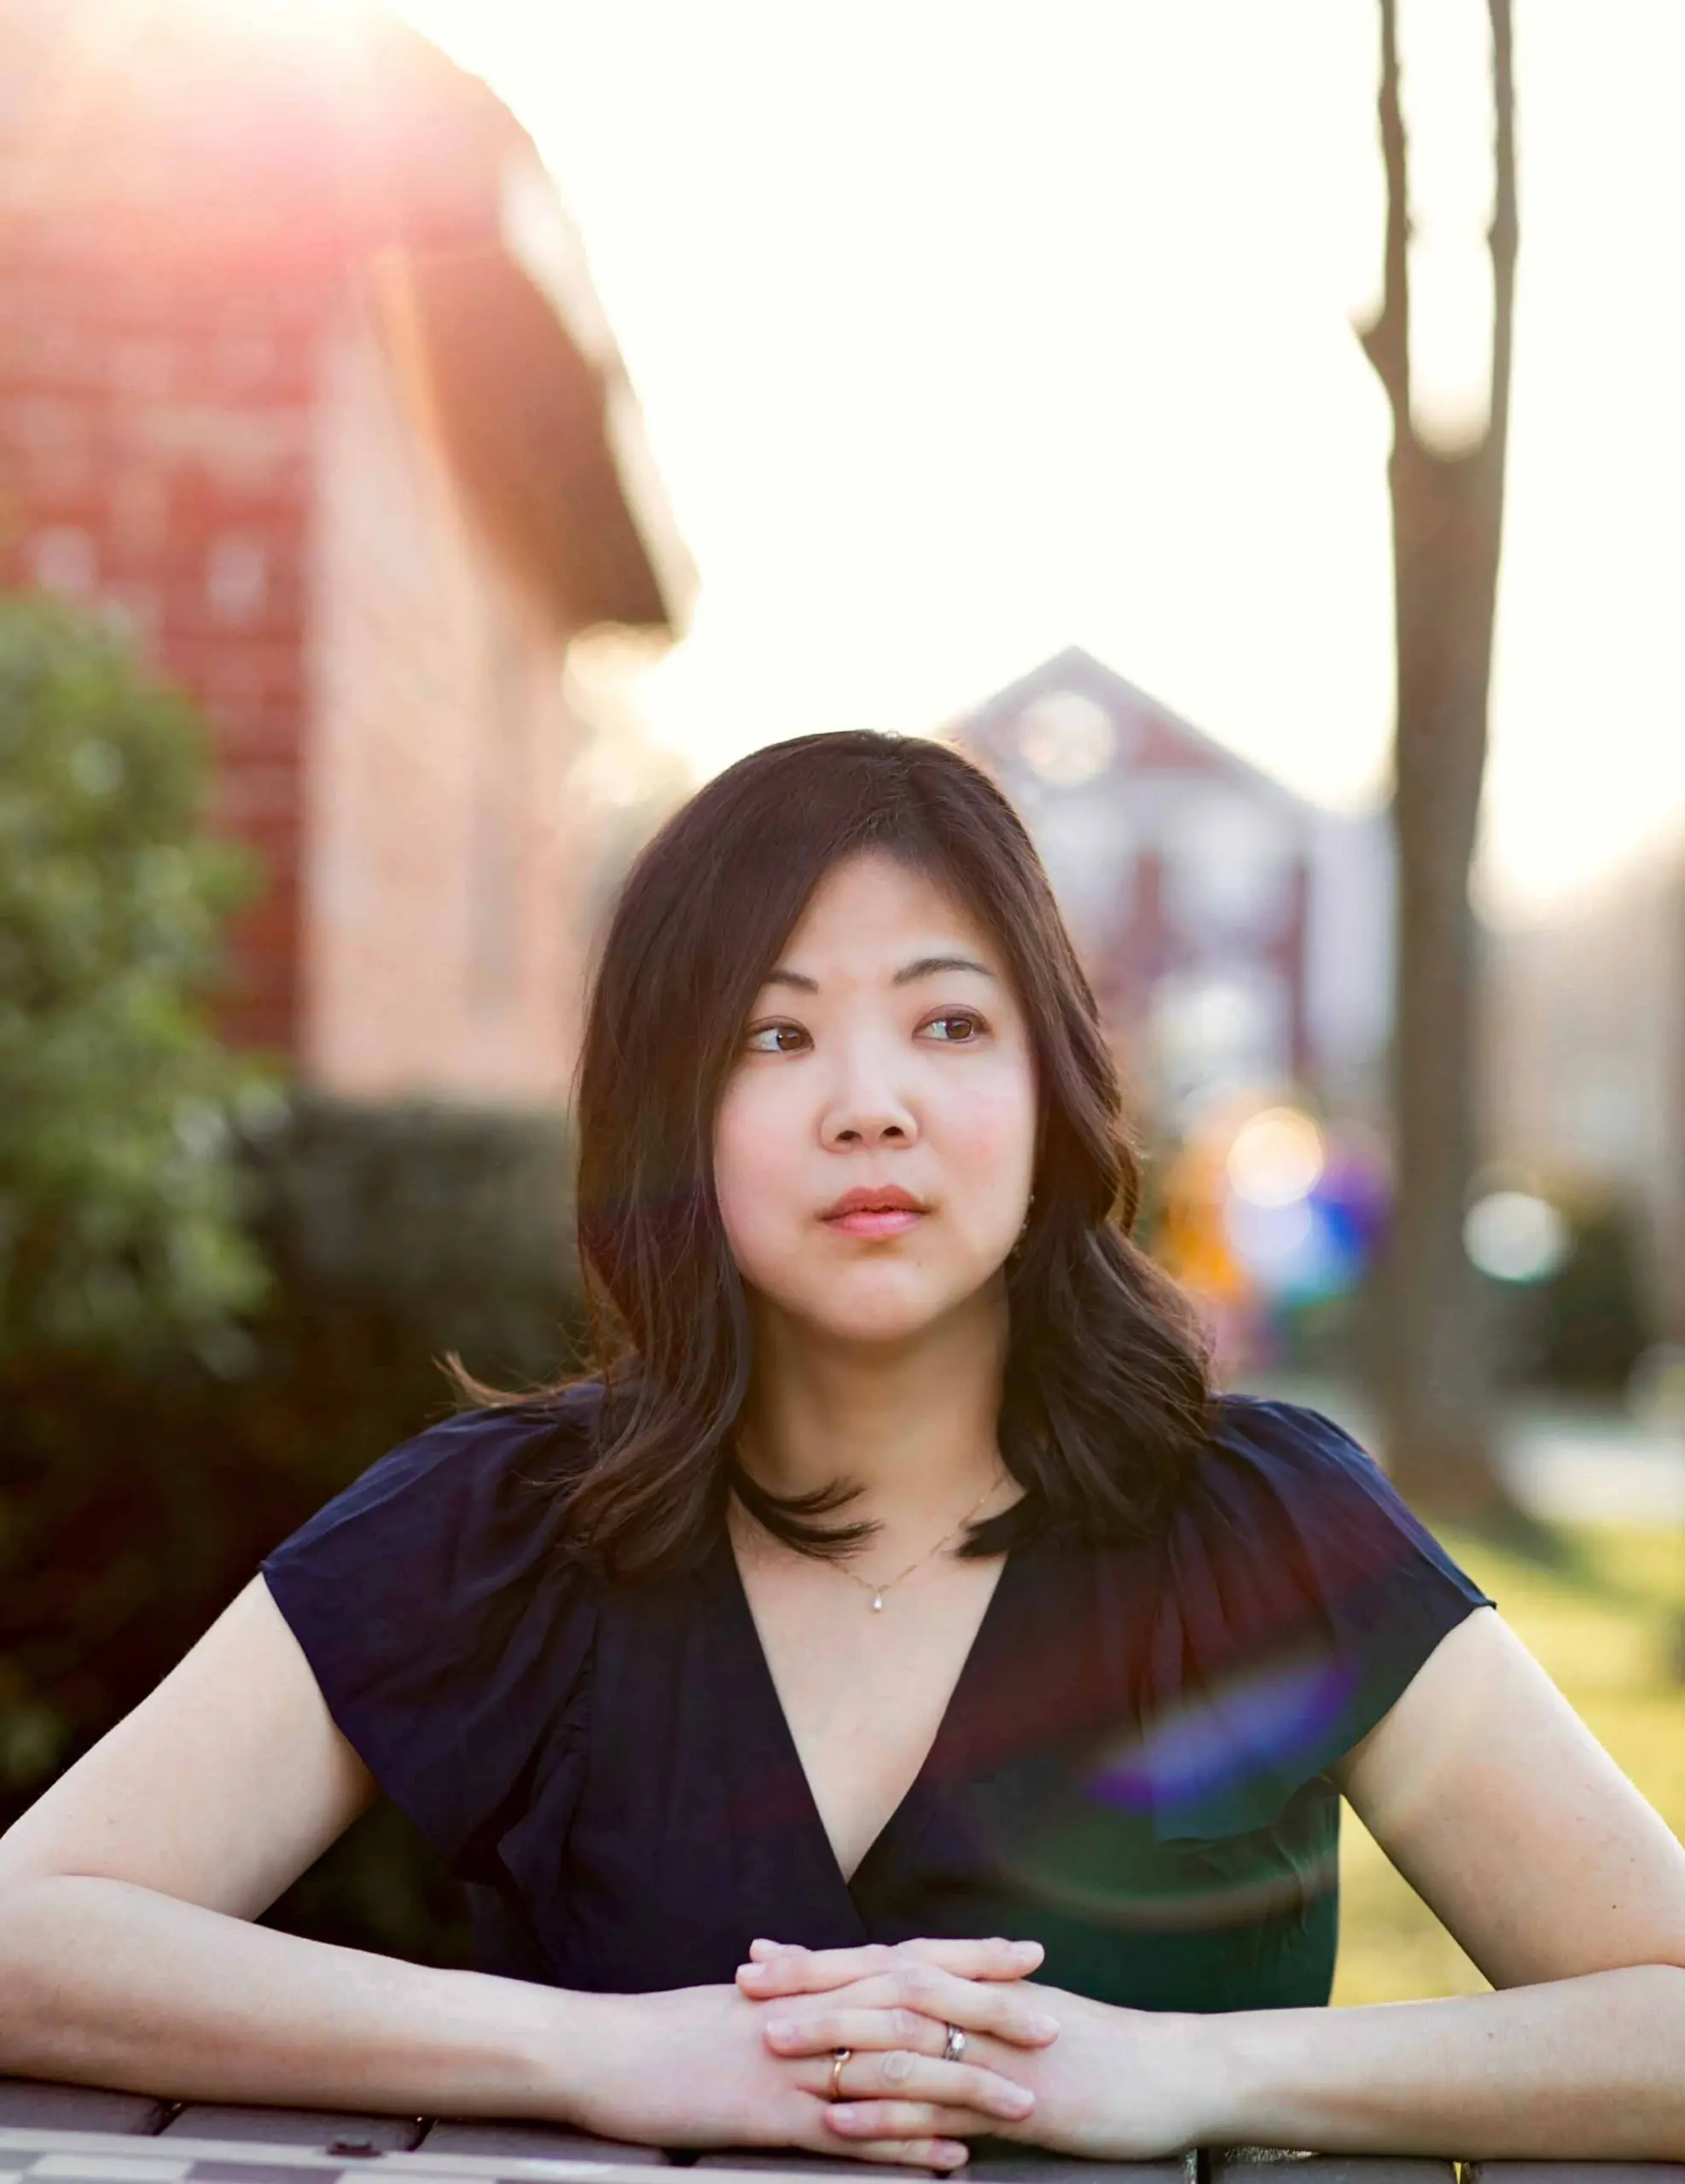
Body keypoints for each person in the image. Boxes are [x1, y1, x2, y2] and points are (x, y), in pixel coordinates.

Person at [2, 731, 1683, 2169]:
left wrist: (1184, 2069)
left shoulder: (1268, 1525)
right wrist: (596, 2050)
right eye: (773, 1032)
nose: (867, 1100)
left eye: (948, 1024)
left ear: (1050, 1090)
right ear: (676, 1115)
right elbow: (30, 1932)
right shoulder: (504, 1531)